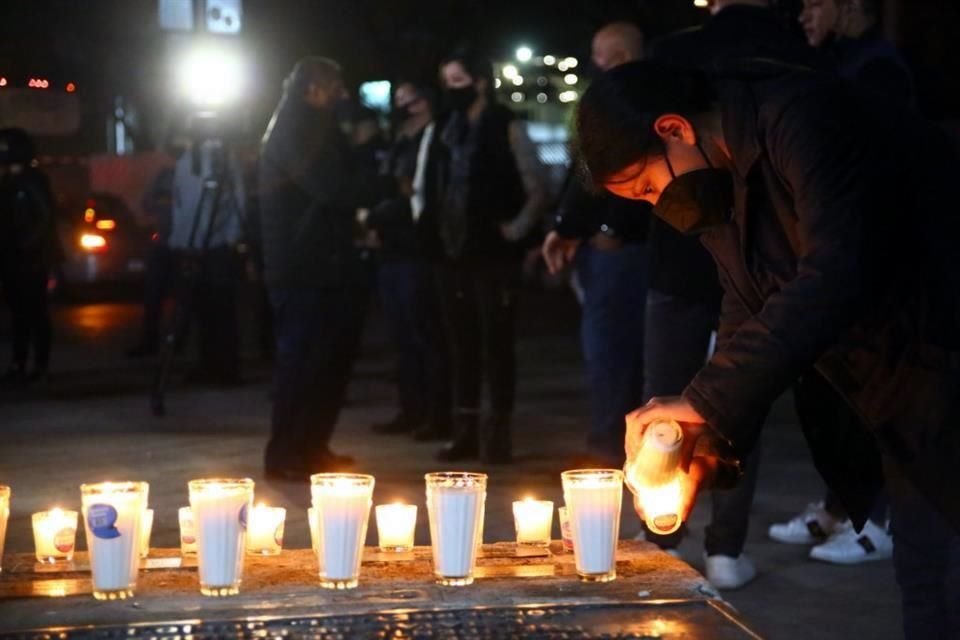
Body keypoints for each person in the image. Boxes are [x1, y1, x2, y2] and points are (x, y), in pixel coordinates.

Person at [577, 60, 960, 638]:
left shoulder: (804, 118)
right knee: (929, 585)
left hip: (941, 365)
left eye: (649, 186)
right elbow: (744, 308)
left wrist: (704, 399)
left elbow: (835, 273)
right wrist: (704, 440)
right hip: (904, 405)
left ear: (674, 129)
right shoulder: (718, 185)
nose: (658, 205)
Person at [769, 0, 917, 565]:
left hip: (874, 264)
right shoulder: (837, 65)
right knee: (837, 399)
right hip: (846, 255)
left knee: (872, 397)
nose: (803, 14)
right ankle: (842, 507)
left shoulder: (877, 70)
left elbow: (880, 172)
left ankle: (877, 521)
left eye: (813, 3)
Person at [542, 21, 650, 469]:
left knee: (612, 347)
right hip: (607, 244)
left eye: (602, 55)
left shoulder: (628, 101)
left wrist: (613, 226)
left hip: (620, 250)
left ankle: (612, 445)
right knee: (614, 347)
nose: (596, 64)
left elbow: (611, 167)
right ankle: (617, 440)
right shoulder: (627, 96)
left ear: (621, 55)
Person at [435, 46, 550, 464]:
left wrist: (516, 230)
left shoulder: (506, 126)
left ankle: (496, 434)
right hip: (455, 251)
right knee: (461, 342)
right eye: (447, 82)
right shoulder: (449, 128)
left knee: (495, 344)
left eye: (459, 81)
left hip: (493, 254)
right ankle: (464, 431)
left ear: (481, 81)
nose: (452, 90)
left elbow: (537, 185)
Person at [258, 57, 363, 480]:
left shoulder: (314, 127)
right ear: (311, 89)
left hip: (322, 264)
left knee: (326, 363)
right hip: (302, 268)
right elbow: (332, 187)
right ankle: (286, 455)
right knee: (301, 364)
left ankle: (313, 447)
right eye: (333, 86)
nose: (341, 93)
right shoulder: (294, 130)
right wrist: (385, 184)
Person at [365, 81, 452, 440]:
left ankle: (436, 413)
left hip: (417, 248)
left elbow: (418, 194)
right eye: (398, 101)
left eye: (410, 99)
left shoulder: (436, 139)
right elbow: (390, 187)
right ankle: (411, 408)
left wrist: (381, 212)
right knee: (402, 335)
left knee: (425, 333)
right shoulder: (400, 140)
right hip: (392, 247)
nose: (404, 107)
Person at [165, 116, 245, 385]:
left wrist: (232, 236)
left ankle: (225, 367)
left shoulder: (221, 158)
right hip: (192, 245)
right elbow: (181, 205)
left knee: (221, 309)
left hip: (216, 245)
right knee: (201, 309)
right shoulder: (186, 161)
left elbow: (235, 199)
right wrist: (181, 242)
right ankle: (208, 364)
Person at [0, 128, 57, 384]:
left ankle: (39, 364)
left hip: (32, 258)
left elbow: (44, 218)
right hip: (14, 256)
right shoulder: (10, 182)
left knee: (35, 312)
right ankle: (19, 363)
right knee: (18, 314)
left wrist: (27, 244)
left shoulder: (31, 180)